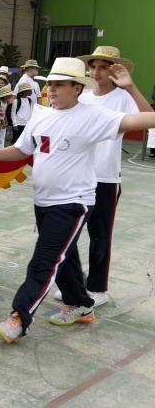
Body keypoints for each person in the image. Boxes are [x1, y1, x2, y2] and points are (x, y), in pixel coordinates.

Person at [0, 57, 155, 344]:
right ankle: (82, 304)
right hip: (43, 200)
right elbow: (22, 150)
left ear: (76, 88)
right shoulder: (41, 115)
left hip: (74, 202)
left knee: (44, 260)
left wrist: (131, 88)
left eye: (60, 85)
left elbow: (151, 119)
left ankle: (19, 318)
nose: (52, 90)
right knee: (65, 255)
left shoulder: (94, 116)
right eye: (50, 84)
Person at [48, 47, 153, 306]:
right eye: (93, 67)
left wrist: (131, 88)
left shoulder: (122, 97)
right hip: (76, 176)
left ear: (115, 70)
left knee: (99, 236)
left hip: (105, 179)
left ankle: (97, 288)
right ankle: (74, 285)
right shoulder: (82, 96)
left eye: (104, 67)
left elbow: (149, 121)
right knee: (68, 235)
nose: (97, 72)